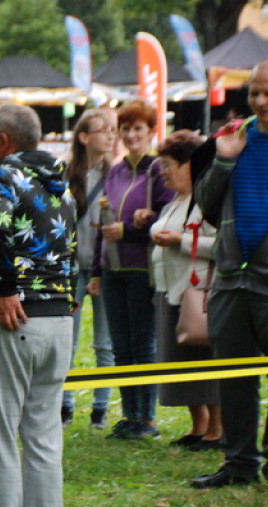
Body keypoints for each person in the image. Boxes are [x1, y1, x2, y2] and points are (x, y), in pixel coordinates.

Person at [0, 103, 77, 507]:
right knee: (44, 434)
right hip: (59, 321)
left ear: (4, 142)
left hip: (14, 318)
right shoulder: (62, 186)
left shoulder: (1, 177)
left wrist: (5, 288)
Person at [190, 58, 268, 492]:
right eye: (255, 93)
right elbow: (205, 206)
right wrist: (224, 160)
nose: (260, 102)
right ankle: (239, 463)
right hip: (230, 278)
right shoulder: (234, 137)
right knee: (235, 376)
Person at [90, 100, 174, 440]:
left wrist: (132, 229)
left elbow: (169, 214)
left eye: (138, 128)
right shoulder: (116, 170)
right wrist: (97, 270)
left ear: (150, 131)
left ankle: (147, 418)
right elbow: (105, 223)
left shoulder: (158, 170)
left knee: (143, 343)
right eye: (125, 129)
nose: (131, 134)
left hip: (143, 267)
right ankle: (129, 414)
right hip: (113, 268)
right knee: (121, 345)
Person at [148, 130, 221, 451]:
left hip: (198, 294)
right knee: (182, 363)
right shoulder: (176, 201)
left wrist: (180, 241)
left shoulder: (209, 202)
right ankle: (199, 426)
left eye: (168, 165)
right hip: (170, 292)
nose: (163, 172)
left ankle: (218, 430)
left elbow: (222, 246)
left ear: (190, 165)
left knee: (205, 362)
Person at [61, 110, 117, 429]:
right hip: (70, 270)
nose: (111, 136)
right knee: (67, 340)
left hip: (104, 268)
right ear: (84, 137)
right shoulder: (65, 174)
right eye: (103, 130)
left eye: (113, 130)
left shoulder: (117, 174)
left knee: (104, 343)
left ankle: (101, 408)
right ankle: (65, 406)